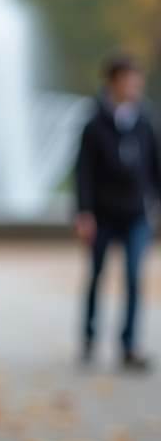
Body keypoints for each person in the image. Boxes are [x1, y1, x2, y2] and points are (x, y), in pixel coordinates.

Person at [75, 53, 159, 372]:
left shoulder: (145, 120)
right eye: (129, 80)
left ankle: (129, 344)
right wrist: (84, 212)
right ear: (114, 82)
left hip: (136, 213)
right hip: (103, 212)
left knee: (134, 278)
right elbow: (83, 171)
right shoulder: (94, 123)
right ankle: (89, 335)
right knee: (97, 275)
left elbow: (155, 165)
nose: (135, 86)